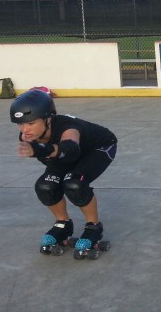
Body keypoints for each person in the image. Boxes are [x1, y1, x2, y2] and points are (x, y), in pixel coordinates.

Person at [10, 89, 117, 258]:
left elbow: (71, 149)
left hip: (98, 148)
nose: (25, 129)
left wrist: (43, 150)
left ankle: (93, 227)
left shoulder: (67, 127)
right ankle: (63, 224)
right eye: (20, 124)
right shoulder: (27, 137)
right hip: (65, 153)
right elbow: (55, 159)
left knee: (74, 183)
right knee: (46, 186)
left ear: (48, 118)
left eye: (30, 123)